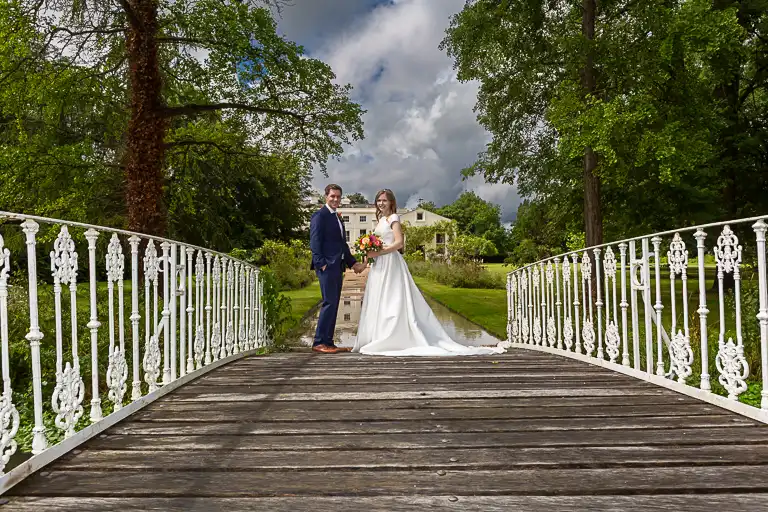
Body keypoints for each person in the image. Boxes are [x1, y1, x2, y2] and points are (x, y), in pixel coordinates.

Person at [352, 189, 505, 356]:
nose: (381, 203)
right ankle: (379, 335)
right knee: (379, 298)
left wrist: (379, 252)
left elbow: (399, 243)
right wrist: (366, 261)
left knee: (392, 298)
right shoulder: (380, 219)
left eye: (384, 200)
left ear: (391, 203)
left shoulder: (394, 218)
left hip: (391, 263)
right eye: (379, 201)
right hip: (379, 265)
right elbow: (374, 247)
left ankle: (393, 336)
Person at [309, 184, 366, 354]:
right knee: (328, 302)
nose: (335, 199)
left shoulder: (337, 218)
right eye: (332, 196)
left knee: (333, 304)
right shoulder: (320, 216)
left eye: (338, 197)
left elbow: (342, 245)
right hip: (327, 267)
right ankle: (319, 342)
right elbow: (314, 242)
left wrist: (353, 263)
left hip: (337, 267)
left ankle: (328, 342)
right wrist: (322, 263)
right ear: (326, 196)